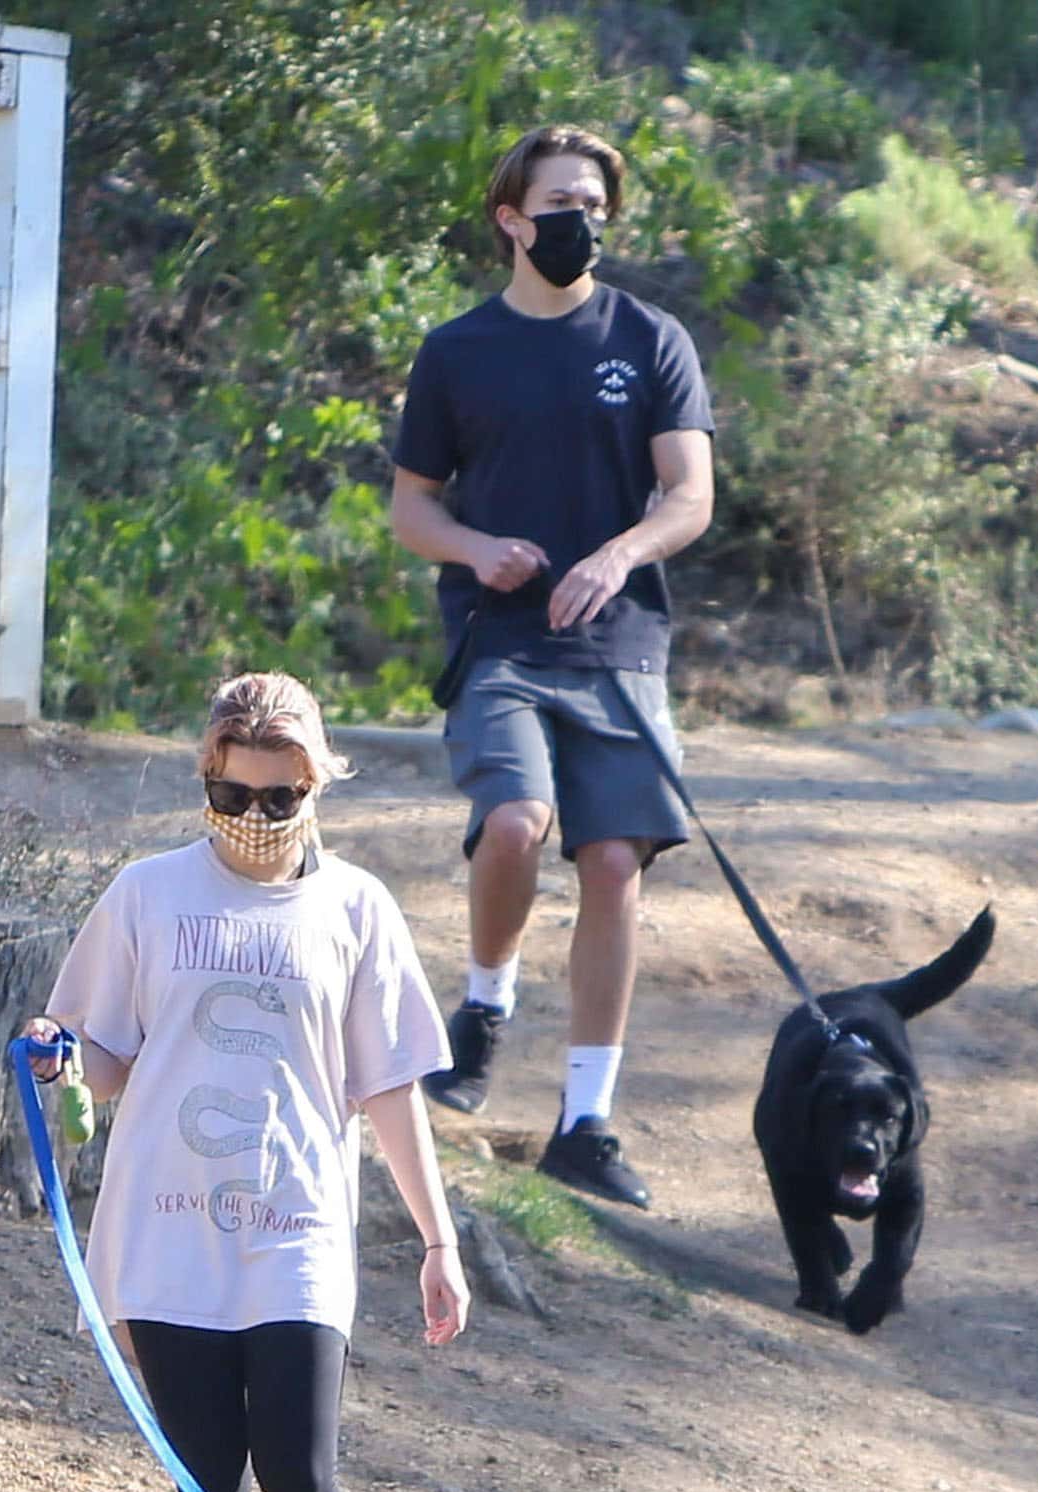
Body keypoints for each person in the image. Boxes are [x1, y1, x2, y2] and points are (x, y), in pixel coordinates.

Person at [24, 672, 469, 1492]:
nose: (255, 816)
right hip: (163, 1231)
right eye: (233, 790)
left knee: (302, 1472)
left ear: (314, 785)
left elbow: (387, 1086)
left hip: (295, 1229)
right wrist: (61, 1060)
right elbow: (106, 1053)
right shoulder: (146, 893)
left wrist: (437, 1236)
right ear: (204, 776)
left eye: (279, 795)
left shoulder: (358, 906)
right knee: (209, 1490)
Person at [391, 122, 715, 1210]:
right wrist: (478, 549)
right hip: (501, 642)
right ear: (511, 218)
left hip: (619, 645)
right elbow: (410, 503)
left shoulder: (649, 338)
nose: (583, 221)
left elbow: (688, 494)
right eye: (562, 202)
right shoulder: (458, 351)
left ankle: (586, 1118)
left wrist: (619, 554)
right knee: (515, 824)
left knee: (615, 862)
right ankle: (483, 1004)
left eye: (596, 204)